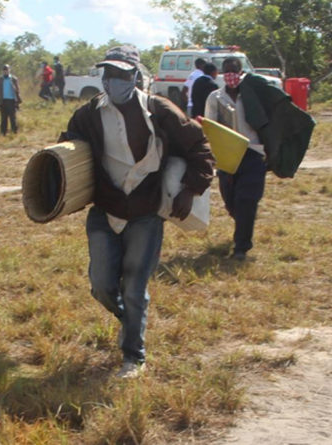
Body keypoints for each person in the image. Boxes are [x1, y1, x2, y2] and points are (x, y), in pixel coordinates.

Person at [60, 45, 214, 378]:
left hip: (146, 209)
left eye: (120, 74)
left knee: (133, 287)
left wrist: (190, 189)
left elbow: (199, 147)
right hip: (106, 208)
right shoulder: (88, 115)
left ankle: (134, 356)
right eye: (108, 74)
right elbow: (68, 153)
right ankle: (128, 320)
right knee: (101, 284)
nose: (112, 81)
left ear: (135, 76)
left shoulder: (159, 111)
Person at [204, 57, 270, 261]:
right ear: (222, 73)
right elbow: (210, 128)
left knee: (247, 200)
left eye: (234, 70)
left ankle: (241, 246)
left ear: (240, 73)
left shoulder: (252, 96)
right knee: (232, 202)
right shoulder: (215, 98)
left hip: (253, 153)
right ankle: (241, 222)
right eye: (227, 70)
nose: (231, 75)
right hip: (228, 156)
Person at [0, 64, 21, 135]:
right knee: (3, 119)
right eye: (4, 70)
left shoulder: (14, 79)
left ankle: (14, 133)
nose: (6, 71)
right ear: (2, 71)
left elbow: (17, 90)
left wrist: (17, 101)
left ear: (9, 70)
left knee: (13, 118)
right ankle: (3, 133)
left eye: (7, 70)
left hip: (12, 101)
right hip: (3, 101)